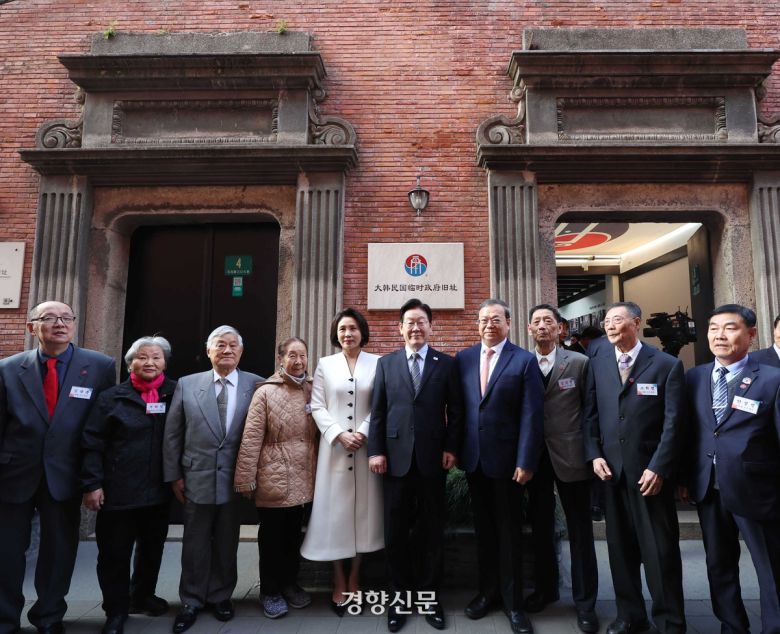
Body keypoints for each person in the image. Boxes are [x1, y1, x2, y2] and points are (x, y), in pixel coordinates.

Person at [0, 300, 115, 634]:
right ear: (31, 327)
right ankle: (5, 618)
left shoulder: (99, 367)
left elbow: (102, 430)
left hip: (66, 475)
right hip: (14, 475)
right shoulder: (8, 369)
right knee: (7, 552)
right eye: (49, 318)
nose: (59, 324)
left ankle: (48, 616)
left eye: (66, 318)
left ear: (74, 324)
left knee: (58, 551)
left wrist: (94, 479)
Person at [584, 301, 686, 634]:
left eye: (617, 320)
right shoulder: (598, 363)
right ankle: (629, 615)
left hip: (649, 476)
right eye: (606, 321)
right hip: (611, 474)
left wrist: (659, 467)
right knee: (619, 550)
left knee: (660, 552)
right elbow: (590, 416)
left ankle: (669, 621)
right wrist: (594, 454)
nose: (609, 326)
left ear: (637, 323)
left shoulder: (666, 365)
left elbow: (674, 424)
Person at [681, 304, 780, 633]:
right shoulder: (693, 377)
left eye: (729, 328)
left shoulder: (772, 379)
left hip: (757, 489)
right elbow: (691, 432)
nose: (719, 335)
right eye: (713, 328)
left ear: (751, 334)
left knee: (770, 567)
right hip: (709, 487)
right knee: (719, 564)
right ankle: (733, 626)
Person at [368, 298, 463, 632]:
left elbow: (456, 411)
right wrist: (375, 451)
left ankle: (430, 598)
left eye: (422, 321)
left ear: (431, 327)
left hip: (431, 460)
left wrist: (452, 448)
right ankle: (398, 600)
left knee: (430, 532)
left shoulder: (446, 364)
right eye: (410, 321)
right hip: (393, 461)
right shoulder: (386, 364)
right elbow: (377, 412)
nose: (415, 327)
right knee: (395, 533)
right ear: (400, 328)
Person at [162, 325, 262, 633]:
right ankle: (191, 599)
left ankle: (221, 596)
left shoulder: (256, 385)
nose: (227, 350)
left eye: (233, 345)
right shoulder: (188, 385)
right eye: (220, 345)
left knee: (227, 540)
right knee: (194, 541)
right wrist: (174, 474)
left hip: (236, 479)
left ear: (241, 351)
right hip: (196, 476)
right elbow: (173, 433)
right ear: (209, 351)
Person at [455, 298, 544, 634]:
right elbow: (461, 411)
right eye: (483, 320)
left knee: (509, 535)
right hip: (475, 462)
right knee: (485, 534)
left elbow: (532, 416)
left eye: (495, 319)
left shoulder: (523, 361)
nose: (488, 325)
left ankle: (514, 603)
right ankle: (487, 592)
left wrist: (526, 460)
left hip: (509, 465)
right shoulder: (463, 359)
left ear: (508, 322)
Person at [81, 336, 177, 634]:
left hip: (158, 491)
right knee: (114, 554)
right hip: (118, 492)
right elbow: (91, 442)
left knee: (152, 549)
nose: (150, 362)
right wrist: (92, 484)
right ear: (130, 363)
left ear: (165, 362)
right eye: (143, 357)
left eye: (156, 357)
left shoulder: (175, 393)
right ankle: (116, 609)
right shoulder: (111, 398)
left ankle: (143, 595)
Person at [300, 308, 384, 615]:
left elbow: (381, 404)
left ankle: (355, 577)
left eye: (352, 328)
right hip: (334, 450)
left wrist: (361, 432)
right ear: (336, 334)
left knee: (364, 513)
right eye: (342, 329)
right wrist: (338, 434)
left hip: (365, 449)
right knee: (334, 513)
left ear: (362, 331)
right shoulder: (325, 364)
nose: (347, 334)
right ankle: (337, 578)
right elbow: (317, 406)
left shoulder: (378, 363)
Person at [524, 304, 599, 634]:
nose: (542, 326)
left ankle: (585, 604)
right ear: (529, 329)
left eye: (548, 321)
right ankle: (546, 589)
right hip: (534, 459)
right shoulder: (521, 364)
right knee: (540, 529)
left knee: (580, 531)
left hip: (571, 455)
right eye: (537, 322)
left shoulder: (580, 363)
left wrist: (592, 453)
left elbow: (590, 412)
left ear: (560, 328)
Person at [234, 337, 318, 619]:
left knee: (294, 536)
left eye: (303, 355)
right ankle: (269, 590)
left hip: (304, 475)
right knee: (271, 538)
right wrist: (245, 478)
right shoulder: (266, 393)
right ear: (280, 359)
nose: (298, 361)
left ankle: (289, 584)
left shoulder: (312, 389)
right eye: (292, 355)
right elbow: (251, 438)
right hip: (274, 476)